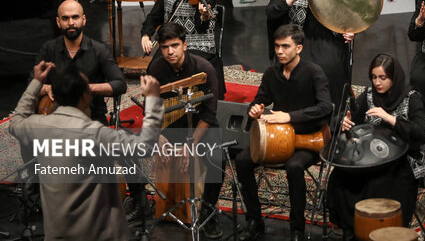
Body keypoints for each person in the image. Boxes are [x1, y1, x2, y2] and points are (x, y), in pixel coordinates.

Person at [9, 61, 163, 241]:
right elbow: (145, 147)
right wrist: (152, 100)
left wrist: (36, 83)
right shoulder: (94, 134)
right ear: (86, 96)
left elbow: (16, 120)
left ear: (55, 96)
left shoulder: (38, 126)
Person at [235, 24, 333, 241]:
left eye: (285, 46)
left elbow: (326, 107)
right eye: (277, 46)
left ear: (298, 48)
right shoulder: (272, 73)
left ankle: (297, 229)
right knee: (242, 160)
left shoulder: (313, 72)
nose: (280, 51)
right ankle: (254, 222)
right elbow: (260, 100)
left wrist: (290, 116)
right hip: (277, 139)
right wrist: (255, 108)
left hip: (307, 140)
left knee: (294, 166)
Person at [327, 53, 425, 241]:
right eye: (374, 77)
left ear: (394, 77)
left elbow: (420, 132)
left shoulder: (411, 97)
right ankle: (352, 229)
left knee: (377, 183)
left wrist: (390, 118)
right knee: (340, 176)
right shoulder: (368, 95)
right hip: (370, 158)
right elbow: (351, 118)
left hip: (401, 159)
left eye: (383, 78)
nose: (377, 83)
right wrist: (343, 122)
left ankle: (376, 230)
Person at [140, 22, 224, 238]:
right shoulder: (156, 69)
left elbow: (209, 113)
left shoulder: (205, 69)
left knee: (217, 157)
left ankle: (208, 209)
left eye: (175, 45)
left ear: (185, 45)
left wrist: (191, 144)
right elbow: (150, 107)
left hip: (199, 124)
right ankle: (142, 204)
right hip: (170, 124)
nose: (170, 52)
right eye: (165, 47)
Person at [266, 0, 353, 112]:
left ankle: (331, 118)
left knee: (330, 66)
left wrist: (350, 33)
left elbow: (347, 16)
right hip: (296, 39)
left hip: (326, 39)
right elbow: (271, 12)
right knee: (296, 68)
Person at [141, 0, 225, 99]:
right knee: (154, 66)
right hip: (171, 42)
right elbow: (154, 17)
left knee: (185, 64)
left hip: (199, 44)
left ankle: (192, 103)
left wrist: (203, 16)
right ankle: (161, 104)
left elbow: (204, 29)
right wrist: (146, 35)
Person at [34, 0, 126, 124]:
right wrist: (48, 88)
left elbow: (120, 84)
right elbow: (31, 85)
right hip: (56, 118)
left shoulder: (99, 50)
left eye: (75, 17)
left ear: (83, 20)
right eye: (65, 18)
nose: (71, 22)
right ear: (58, 22)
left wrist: (86, 88)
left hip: (92, 118)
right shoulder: (48, 49)